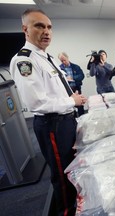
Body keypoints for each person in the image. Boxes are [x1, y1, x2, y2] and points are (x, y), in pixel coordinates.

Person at [10, 9, 87, 216]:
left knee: (71, 167)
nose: (46, 31)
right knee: (62, 175)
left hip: (65, 121)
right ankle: (65, 212)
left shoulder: (47, 57)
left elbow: (56, 89)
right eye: (39, 26)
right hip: (52, 125)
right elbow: (37, 102)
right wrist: (71, 101)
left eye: (49, 27)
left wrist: (73, 100)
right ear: (25, 29)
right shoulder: (24, 60)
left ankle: (75, 206)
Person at [58, 52, 85, 116]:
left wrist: (72, 78)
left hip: (76, 89)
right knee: (70, 107)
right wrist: (65, 79)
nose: (63, 62)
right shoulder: (59, 69)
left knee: (80, 105)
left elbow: (82, 76)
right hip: (67, 91)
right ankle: (73, 121)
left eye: (64, 60)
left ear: (67, 58)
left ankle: (82, 118)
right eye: (61, 61)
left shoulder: (76, 67)